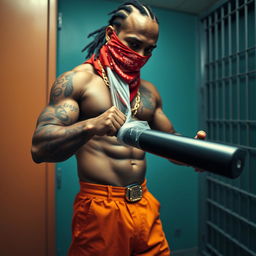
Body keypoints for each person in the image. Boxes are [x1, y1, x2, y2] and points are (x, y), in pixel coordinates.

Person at [31, 1, 206, 255]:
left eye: (149, 50)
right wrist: (91, 125)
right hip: (101, 207)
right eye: (134, 45)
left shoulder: (148, 93)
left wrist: (193, 152)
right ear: (111, 35)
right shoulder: (78, 81)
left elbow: (169, 141)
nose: (141, 56)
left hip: (143, 203)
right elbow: (39, 148)